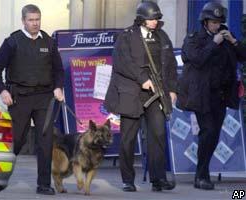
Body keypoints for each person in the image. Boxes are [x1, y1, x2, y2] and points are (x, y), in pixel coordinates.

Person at [104, 1, 177, 192]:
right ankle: (128, 179)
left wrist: (172, 89)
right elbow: (122, 63)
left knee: (158, 135)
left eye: (157, 19)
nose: (155, 22)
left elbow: (169, 66)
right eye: (152, 19)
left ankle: (158, 179)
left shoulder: (162, 36)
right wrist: (142, 79)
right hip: (132, 93)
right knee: (128, 138)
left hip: (155, 94)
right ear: (142, 19)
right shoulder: (127, 36)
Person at [177, 2, 246, 190]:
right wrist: (213, 43)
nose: (217, 25)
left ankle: (203, 172)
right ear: (205, 21)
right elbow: (197, 59)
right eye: (213, 22)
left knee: (214, 135)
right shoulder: (195, 37)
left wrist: (233, 41)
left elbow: (243, 55)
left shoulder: (225, 36)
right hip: (201, 95)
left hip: (221, 96)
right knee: (207, 131)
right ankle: (201, 176)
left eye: (219, 22)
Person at [0, 4, 64, 195]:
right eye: (31, 20)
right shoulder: (13, 42)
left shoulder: (49, 42)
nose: (35, 24)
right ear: (23, 21)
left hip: (44, 98)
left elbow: (59, 70)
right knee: (16, 142)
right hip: (19, 98)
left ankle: (43, 184)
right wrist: (2, 90)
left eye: (37, 20)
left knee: (45, 142)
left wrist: (59, 87)